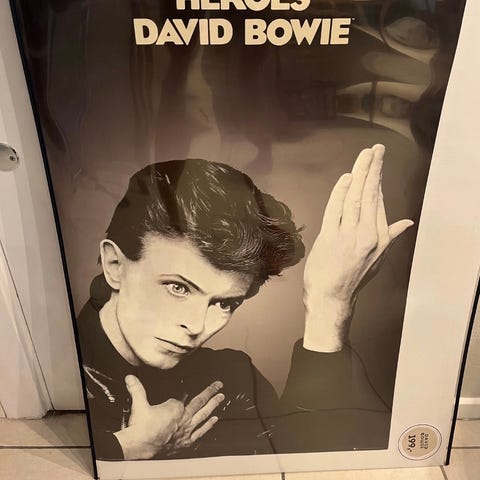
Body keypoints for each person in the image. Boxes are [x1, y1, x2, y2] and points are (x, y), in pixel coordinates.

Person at [77, 144, 413, 461]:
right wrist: (128, 449)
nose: (196, 326)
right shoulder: (64, 374)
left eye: (225, 304)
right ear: (115, 265)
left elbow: (311, 467)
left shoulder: (230, 381)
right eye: (178, 288)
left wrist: (328, 305)